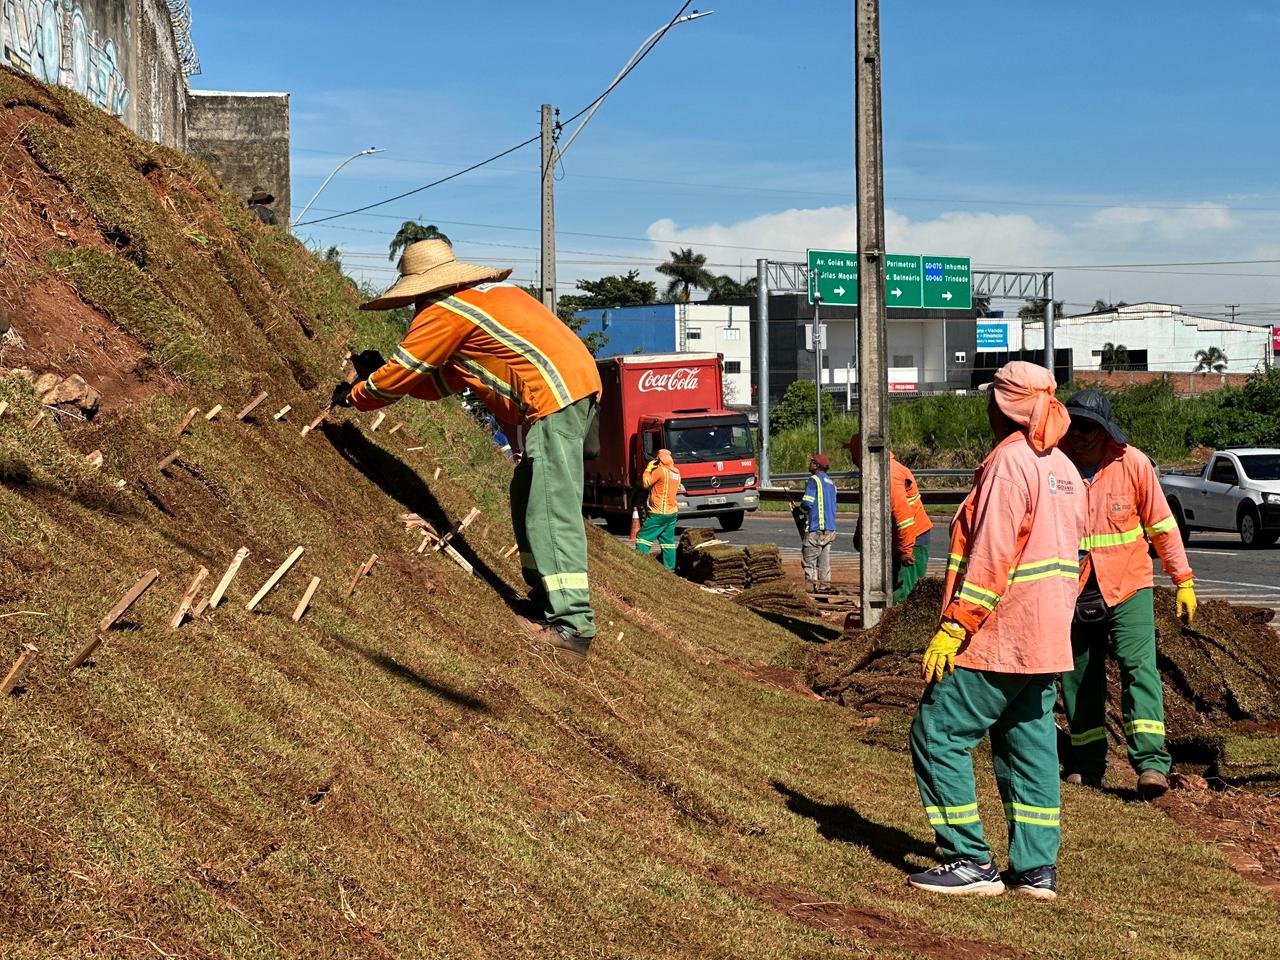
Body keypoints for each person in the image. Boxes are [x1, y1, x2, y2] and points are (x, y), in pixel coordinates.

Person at [333, 240, 602, 657]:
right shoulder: (485, 300)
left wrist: (355, 394)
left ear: (420, 290)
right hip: (573, 390)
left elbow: (403, 373)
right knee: (528, 496)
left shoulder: (444, 310)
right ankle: (546, 599)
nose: (414, 309)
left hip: (553, 400)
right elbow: (436, 383)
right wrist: (382, 377)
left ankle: (572, 624)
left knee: (550, 507)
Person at [907, 361, 1087, 902]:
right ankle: (1035, 870)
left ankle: (968, 860)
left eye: (991, 399)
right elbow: (1080, 558)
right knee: (1029, 748)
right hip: (1047, 636)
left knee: (937, 734)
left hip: (998, 635)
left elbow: (991, 557)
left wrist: (955, 626)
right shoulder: (1064, 467)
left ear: (1005, 407)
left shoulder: (1009, 463)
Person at [1058, 389, 1197, 799]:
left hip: (1128, 584)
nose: (1078, 434)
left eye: (1087, 427)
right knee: (1078, 676)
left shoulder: (1132, 463)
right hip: (1072, 585)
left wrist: (1183, 580)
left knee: (1139, 668)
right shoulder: (1054, 464)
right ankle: (1087, 764)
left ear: (1104, 430)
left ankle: (1151, 763)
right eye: (1072, 425)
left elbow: (1162, 526)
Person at [847, 435, 934, 603]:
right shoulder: (875, 473)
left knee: (905, 594)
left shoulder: (889, 474)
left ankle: (902, 620)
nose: (852, 459)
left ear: (859, 454)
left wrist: (906, 550)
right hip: (899, 541)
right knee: (892, 590)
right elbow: (870, 509)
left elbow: (904, 517)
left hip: (911, 540)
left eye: (852, 454)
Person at [636, 449, 680, 570]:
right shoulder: (676, 473)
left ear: (659, 460)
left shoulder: (660, 471)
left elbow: (646, 483)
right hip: (672, 513)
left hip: (659, 513)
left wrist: (648, 469)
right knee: (668, 543)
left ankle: (641, 567)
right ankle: (670, 570)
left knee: (643, 538)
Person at [798, 454, 838, 583]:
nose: (809, 464)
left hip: (816, 529)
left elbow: (807, 503)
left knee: (809, 562)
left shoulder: (813, 480)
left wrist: (799, 510)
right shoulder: (831, 483)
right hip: (830, 530)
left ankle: (812, 588)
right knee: (824, 564)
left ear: (817, 465)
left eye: (812, 462)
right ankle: (825, 587)